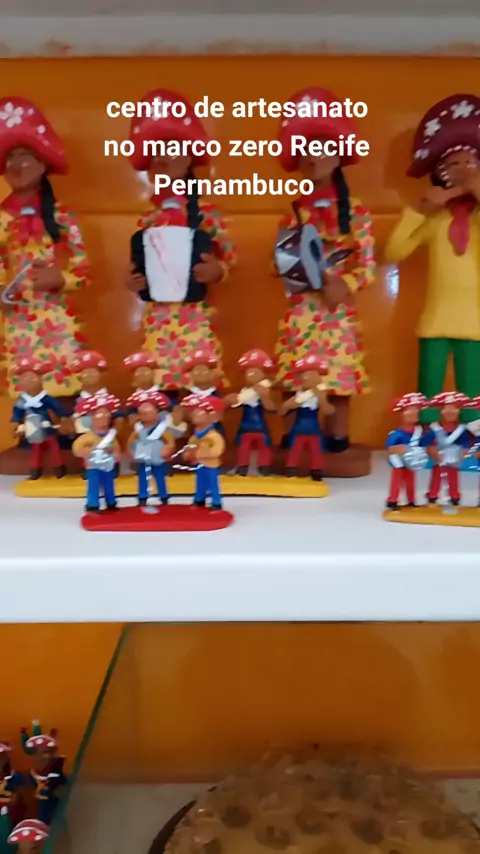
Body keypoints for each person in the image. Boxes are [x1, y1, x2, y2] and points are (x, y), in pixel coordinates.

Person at [273, 87, 375, 477]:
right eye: (305, 149)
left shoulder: (357, 212)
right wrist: (283, 266)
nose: (313, 156)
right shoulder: (293, 213)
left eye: (321, 147)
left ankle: (338, 438)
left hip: (336, 313)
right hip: (301, 309)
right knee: (294, 375)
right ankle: (293, 436)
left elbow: (366, 264)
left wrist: (344, 283)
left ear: (338, 154)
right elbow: (282, 255)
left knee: (338, 379)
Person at [125, 89, 236, 394]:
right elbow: (139, 263)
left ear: (188, 158)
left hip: (194, 316)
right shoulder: (148, 218)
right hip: (158, 319)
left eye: (171, 149)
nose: (163, 158)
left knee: (198, 378)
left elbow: (230, 255)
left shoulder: (206, 213)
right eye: (156, 152)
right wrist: (132, 279)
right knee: (159, 381)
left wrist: (218, 270)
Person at [385, 94, 480, 424]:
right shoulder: (435, 221)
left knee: (472, 396)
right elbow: (393, 251)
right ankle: (425, 436)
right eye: (451, 165)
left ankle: (471, 439)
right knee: (427, 392)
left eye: (468, 163)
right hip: (435, 320)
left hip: (475, 323)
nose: (461, 171)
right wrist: (418, 210)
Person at [0, 97, 89, 399]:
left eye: (25, 155)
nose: (17, 164)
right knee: (25, 399)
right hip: (17, 325)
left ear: (42, 162)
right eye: (11, 156)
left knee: (64, 395)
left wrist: (61, 278)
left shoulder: (63, 218)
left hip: (57, 324)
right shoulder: (1, 219)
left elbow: (84, 271)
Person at [11, 357, 67, 480]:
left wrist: (62, 420)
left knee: (54, 447)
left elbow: (59, 410)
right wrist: (16, 424)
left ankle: (59, 468)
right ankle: (35, 470)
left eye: (32, 377)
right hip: (32, 431)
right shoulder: (21, 401)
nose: (28, 381)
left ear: (41, 378)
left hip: (48, 429)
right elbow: (17, 414)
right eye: (24, 378)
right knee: (35, 450)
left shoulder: (47, 399)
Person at [281, 353, 334, 480]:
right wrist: (289, 405)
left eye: (312, 375)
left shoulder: (319, 395)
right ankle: (290, 469)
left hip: (314, 429)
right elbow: (283, 410)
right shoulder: (299, 395)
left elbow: (328, 411)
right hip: (299, 428)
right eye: (305, 375)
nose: (307, 378)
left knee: (316, 450)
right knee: (295, 450)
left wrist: (322, 398)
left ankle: (316, 471)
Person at [225, 349, 276, 476]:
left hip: (260, 425)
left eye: (256, 372)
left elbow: (271, 408)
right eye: (249, 372)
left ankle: (264, 467)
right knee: (243, 446)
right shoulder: (244, 392)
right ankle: (242, 466)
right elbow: (235, 403)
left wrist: (264, 397)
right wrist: (231, 401)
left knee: (263, 445)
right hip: (246, 425)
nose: (252, 375)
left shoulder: (264, 390)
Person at [72, 392, 122, 512]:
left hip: (108, 465)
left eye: (106, 415)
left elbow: (117, 450)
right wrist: (85, 451)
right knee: (93, 485)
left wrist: (114, 454)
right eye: (99, 415)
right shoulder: (87, 437)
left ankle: (111, 502)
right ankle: (92, 504)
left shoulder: (111, 436)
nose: (104, 418)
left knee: (109, 485)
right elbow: (76, 448)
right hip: (93, 466)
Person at [127, 388, 175, 506]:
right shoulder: (138, 429)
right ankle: (142, 497)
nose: (145, 415)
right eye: (142, 413)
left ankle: (163, 496)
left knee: (159, 477)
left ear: (157, 412)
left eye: (148, 412)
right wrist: (131, 451)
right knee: (143, 477)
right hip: (143, 457)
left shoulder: (162, 429)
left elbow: (170, 442)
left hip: (158, 457)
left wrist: (168, 449)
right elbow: (130, 442)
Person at [422, 391, 472, 506]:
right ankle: (432, 496)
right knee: (436, 477)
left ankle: (454, 497)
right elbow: (426, 442)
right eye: (447, 411)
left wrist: (464, 451)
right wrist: (431, 449)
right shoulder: (434, 428)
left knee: (453, 477)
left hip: (454, 458)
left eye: (453, 411)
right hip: (439, 458)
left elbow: (465, 443)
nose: (450, 414)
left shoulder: (461, 429)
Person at [181, 394, 225, 510]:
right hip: (199, 465)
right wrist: (187, 453)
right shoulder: (195, 437)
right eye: (193, 412)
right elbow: (189, 447)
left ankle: (216, 502)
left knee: (212, 484)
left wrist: (203, 454)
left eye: (199, 412)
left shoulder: (214, 436)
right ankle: (199, 499)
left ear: (211, 416)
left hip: (210, 465)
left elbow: (217, 450)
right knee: (199, 483)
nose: (194, 415)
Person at [385, 392, 429, 511]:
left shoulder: (419, 431)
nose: (415, 413)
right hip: (398, 461)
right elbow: (390, 448)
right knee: (397, 480)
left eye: (416, 411)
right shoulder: (396, 434)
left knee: (411, 481)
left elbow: (423, 444)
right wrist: (399, 449)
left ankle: (411, 500)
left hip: (411, 461)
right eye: (411, 410)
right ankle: (392, 500)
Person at [20, 722, 66, 826]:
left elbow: (63, 793)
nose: (41, 757)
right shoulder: (32, 775)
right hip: (40, 815)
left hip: (55, 816)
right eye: (38, 753)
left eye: (46, 752)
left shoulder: (57, 775)